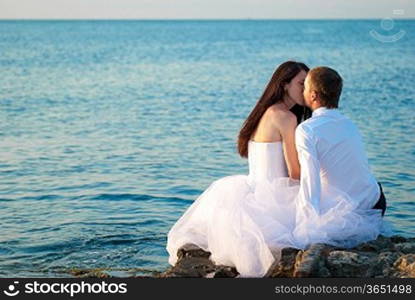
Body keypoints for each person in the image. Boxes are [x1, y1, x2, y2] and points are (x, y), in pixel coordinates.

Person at [293, 66, 387, 248]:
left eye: (304, 87)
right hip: (375, 203)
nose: (302, 91)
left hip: (347, 212)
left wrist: (305, 225)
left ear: (313, 95)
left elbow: (309, 181)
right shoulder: (349, 124)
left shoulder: (307, 129)